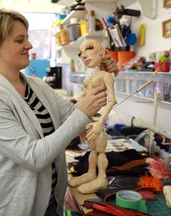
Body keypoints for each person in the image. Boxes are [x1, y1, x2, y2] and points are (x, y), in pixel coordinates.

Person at [0, 8, 119, 216]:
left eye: (27, 38)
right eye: (20, 40)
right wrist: (83, 111)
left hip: (50, 202)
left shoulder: (37, 86)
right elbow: (34, 156)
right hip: (13, 209)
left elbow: (72, 116)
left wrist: (101, 74)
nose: (29, 45)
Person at [68, 39, 117, 194]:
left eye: (89, 49)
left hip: (97, 122)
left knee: (100, 150)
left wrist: (99, 123)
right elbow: (85, 99)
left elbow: (112, 101)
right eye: (81, 53)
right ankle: (91, 173)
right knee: (92, 150)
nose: (84, 55)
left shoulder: (106, 76)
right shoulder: (90, 78)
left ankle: (101, 178)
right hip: (89, 121)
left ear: (102, 51)